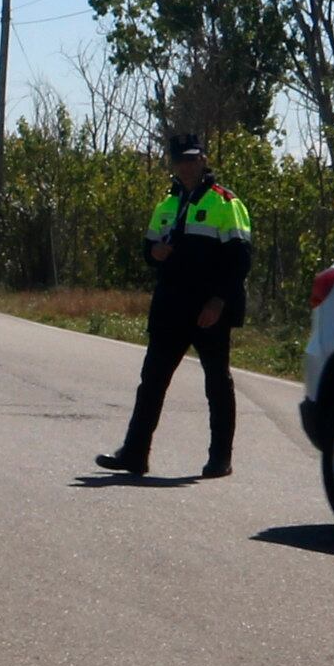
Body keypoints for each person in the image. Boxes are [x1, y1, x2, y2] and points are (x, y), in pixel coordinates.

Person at [94, 132, 252, 479]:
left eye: (192, 159)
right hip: (171, 305)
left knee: (217, 382)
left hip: (208, 308)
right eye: (180, 160)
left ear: (203, 160)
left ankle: (220, 457)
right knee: (151, 380)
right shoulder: (166, 204)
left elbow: (240, 261)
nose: (186, 166)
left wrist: (218, 302)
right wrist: (154, 253)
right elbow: (147, 250)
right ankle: (135, 453)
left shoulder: (226, 203)